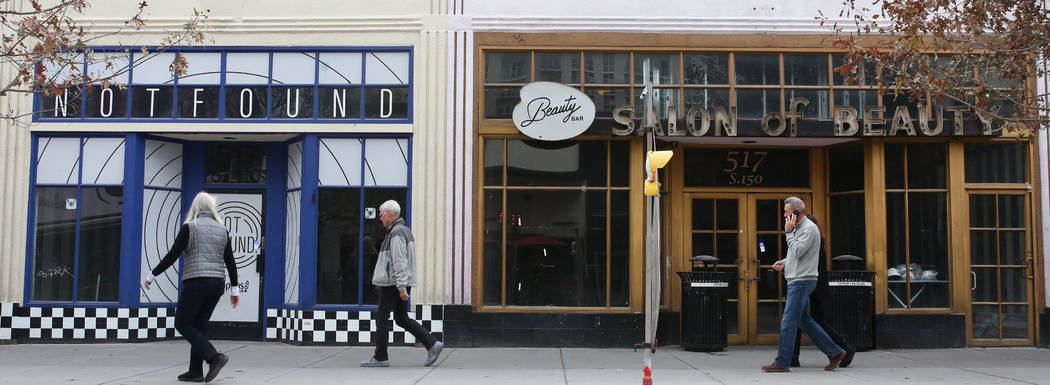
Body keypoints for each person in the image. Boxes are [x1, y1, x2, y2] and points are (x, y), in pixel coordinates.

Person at [144, 192, 239, 383]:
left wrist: (152, 274)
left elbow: (173, 254)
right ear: (212, 208)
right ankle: (195, 371)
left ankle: (214, 357)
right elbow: (230, 261)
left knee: (182, 323)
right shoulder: (222, 230)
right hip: (217, 284)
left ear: (194, 207)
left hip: (197, 281)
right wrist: (235, 289)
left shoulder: (190, 227)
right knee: (198, 326)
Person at [762, 197, 845, 373]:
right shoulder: (800, 228)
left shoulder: (808, 229)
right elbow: (798, 254)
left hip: (802, 280)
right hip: (797, 277)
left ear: (797, 212)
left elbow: (799, 251)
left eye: (786, 211)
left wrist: (788, 233)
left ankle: (782, 362)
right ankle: (835, 352)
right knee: (804, 320)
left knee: (788, 321)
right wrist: (785, 262)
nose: (784, 215)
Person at [360, 200, 444, 368]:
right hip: (399, 282)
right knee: (401, 318)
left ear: (390, 214)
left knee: (382, 316)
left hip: (393, 283)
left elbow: (399, 262)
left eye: (382, 213)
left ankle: (380, 357)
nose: (380, 216)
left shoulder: (396, 233)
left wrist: (401, 287)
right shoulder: (404, 231)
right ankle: (432, 344)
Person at [791, 214, 856, 368]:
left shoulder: (811, 242)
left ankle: (842, 349)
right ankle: (793, 356)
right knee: (802, 321)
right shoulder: (816, 241)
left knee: (807, 321)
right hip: (812, 287)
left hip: (810, 287)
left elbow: (801, 260)